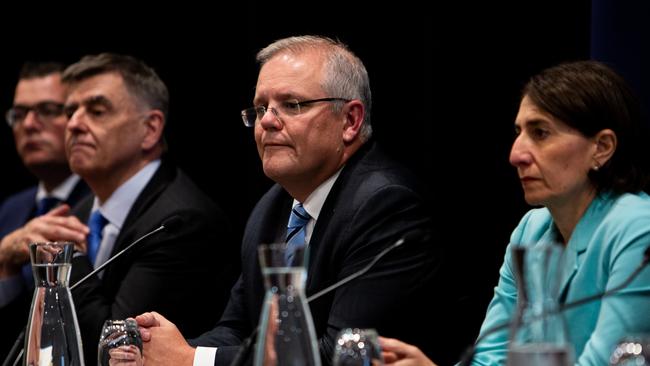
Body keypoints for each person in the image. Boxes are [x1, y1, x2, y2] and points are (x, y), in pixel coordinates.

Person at [134, 35, 445, 366]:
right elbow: (237, 329)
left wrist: (193, 360)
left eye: (292, 105)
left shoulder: (387, 206)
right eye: (260, 108)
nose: (267, 120)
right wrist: (157, 351)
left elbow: (342, 354)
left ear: (350, 121)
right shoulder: (273, 207)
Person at [378, 60, 650, 365]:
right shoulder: (531, 229)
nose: (515, 155)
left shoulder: (638, 228)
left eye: (541, 133)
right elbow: (489, 358)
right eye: (519, 132)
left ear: (601, 147)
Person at [2, 53, 239, 364]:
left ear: (151, 129)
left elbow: (116, 349)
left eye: (96, 111)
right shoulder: (81, 211)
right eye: (70, 111)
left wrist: (67, 254)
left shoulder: (182, 221)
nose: (73, 124)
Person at [0, 62, 90, 360]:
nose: (28, 125)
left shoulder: (102, 205)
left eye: (48, 110)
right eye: (19, 114)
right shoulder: (10, 210)